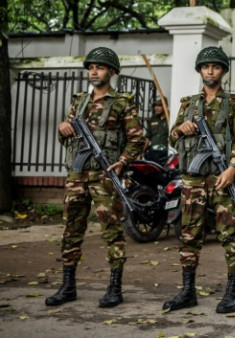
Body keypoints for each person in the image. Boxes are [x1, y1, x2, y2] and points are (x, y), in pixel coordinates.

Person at [46, 47, 145, 308]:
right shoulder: (79, 101)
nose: (93, 71)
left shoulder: (122, 102)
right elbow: (64, 135)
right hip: (76, 176)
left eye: (99, 67)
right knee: (70, 231)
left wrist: (122, 162)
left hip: (103, 177)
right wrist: (63, 127)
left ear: (111, 72)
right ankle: (68, 286)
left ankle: (114, 287)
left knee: (112, 232)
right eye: (91, 67)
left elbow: (138, 139)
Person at [162, 46, 235, 314]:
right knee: (189, 235)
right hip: (193, 180)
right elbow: (172, 139)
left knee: (229, 235)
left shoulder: (234, 104)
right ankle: (188, 291)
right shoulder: (188, 104)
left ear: (222, 70)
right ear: (200, 70)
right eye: (205, 66)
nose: (210, 71)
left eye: (215, 66)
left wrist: (232, 168)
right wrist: (181, 128)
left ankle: (233, 292)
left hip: (222, 178)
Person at [144, 96, 169, 165]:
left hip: (166, 153)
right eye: (155, 105)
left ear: (165, 106)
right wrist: (141, 152)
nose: (156, 108)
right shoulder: (153, 119)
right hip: (153, 153)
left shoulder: (170, 118)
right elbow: (147, 137)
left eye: (159, 105)